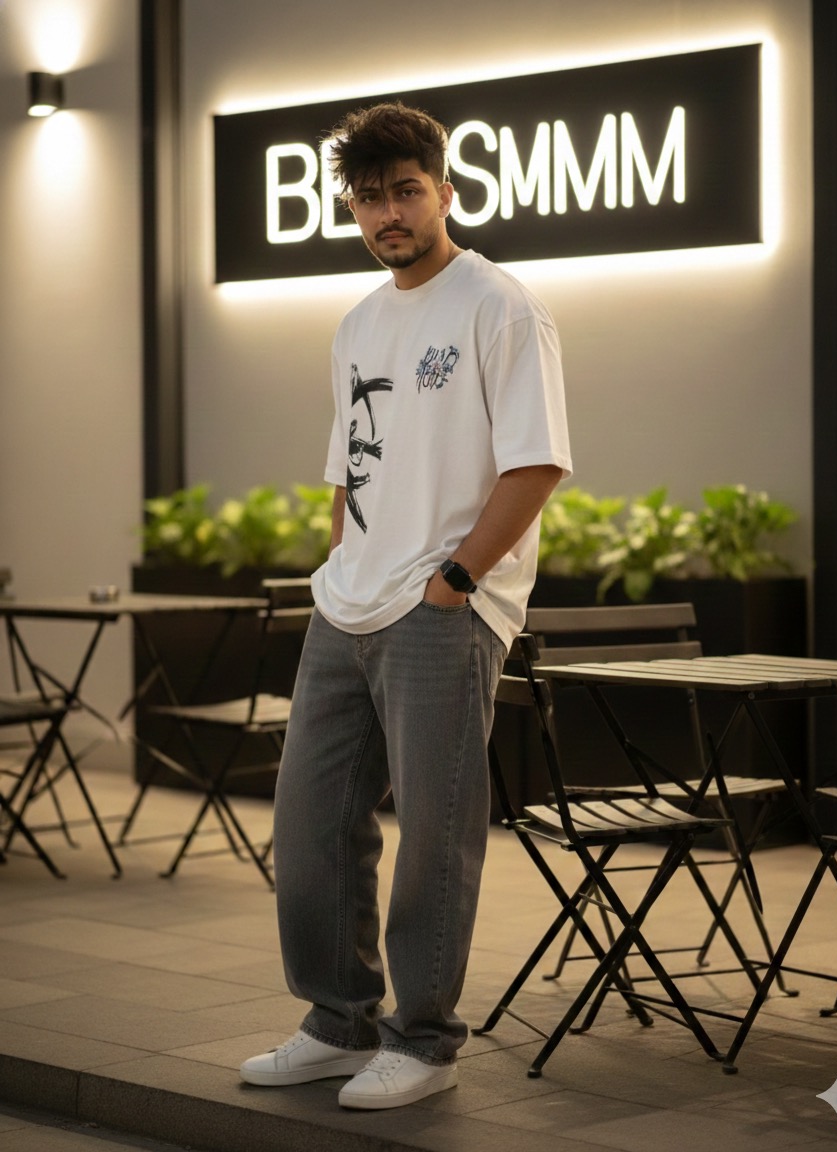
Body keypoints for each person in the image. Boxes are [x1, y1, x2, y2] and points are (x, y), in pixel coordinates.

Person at [240, 101, 571, 1110]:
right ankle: (336, 1022)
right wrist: (343, 567)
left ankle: (421, 1043)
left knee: (436, 830)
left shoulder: (497, 305)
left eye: (405, 191)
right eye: (369, 196)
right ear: (352, 206)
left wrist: (456, 581)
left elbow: (536, 462)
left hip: (441, 608)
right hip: (348, 605)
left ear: (445, 193)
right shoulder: (355, 322)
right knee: (309, 823)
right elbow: (345, 472)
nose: (387, 212)